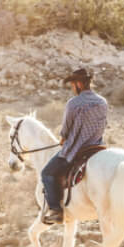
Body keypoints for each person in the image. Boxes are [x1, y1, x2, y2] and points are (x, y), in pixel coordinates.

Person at [40, 68, 108, 225]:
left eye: (72, 84)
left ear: (78, 84)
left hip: (76, 149)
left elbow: (66, 129)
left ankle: (56, 210)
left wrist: (63, 139)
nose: (72, 88)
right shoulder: (102, 102)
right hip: (98, 147)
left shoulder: (73, 103)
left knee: (47, 173)